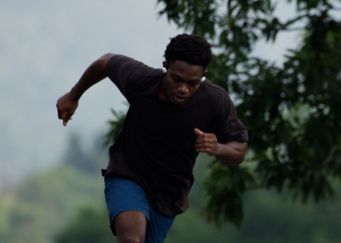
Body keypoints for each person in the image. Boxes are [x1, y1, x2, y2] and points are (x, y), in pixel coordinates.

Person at [56, 34, 248, 243]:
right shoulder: (141, 80)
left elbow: (238, 150)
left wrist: (218, 148)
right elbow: (105, 62)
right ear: (166, 66)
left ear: (204, 75)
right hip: (128, 174)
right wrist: (73, 95)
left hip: (169, 193)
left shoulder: (215, 101)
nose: (183, 88)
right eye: (177, 79)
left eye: (193, 83)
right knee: (132, 239)